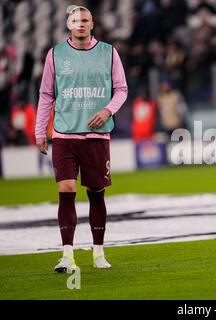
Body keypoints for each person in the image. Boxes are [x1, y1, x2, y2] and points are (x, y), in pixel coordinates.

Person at [35, 5, 128, 273]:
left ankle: (98, 252)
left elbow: (121, 89)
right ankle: (67, 255)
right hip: (64, 134)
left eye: (84, 20)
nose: (80, 24)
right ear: (68, 25)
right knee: (66, 190)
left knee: (96, 194)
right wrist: (40, 130)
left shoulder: (109, 53)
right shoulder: (55, 54)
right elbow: (46, 95)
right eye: (75, 20)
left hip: (96, 137)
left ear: (92, 23)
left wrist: (107, 109)